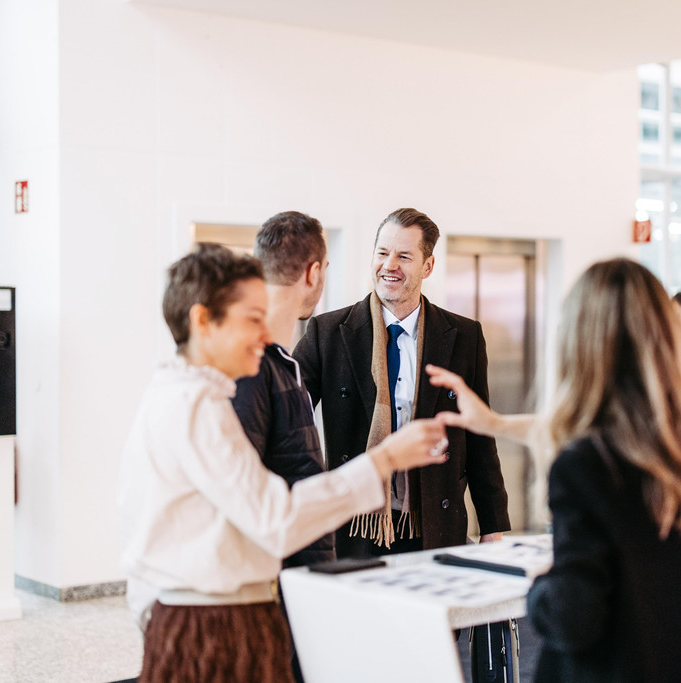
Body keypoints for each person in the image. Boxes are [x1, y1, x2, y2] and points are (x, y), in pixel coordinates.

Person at [427, 258, 681, 682]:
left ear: (577, 345)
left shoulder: (587, 467)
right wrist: (494, 424)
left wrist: (543, 587)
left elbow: (574, 617)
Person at [118, 243, 448, 682]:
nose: (264, 334)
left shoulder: (185, 393)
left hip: (216, 613)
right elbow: (276, 518)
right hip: (212, 624)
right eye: (252, 319)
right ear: (202, 322)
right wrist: (384, 460)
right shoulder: (194, 405)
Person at [293, 208, 510, 557]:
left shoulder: (464, 336)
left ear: (428, 266)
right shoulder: (328, 333)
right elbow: (289, 418)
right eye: (382, 253)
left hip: (434, 522)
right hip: (355, 523)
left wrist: (492, 525)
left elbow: (479, 437)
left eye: (404, 256)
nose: (389, 265)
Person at [229, 211, 330, 683]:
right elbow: (241, 498)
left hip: (296, 595)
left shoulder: (285, 363)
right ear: (313, 273)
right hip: (265, 603)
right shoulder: (252, 366)